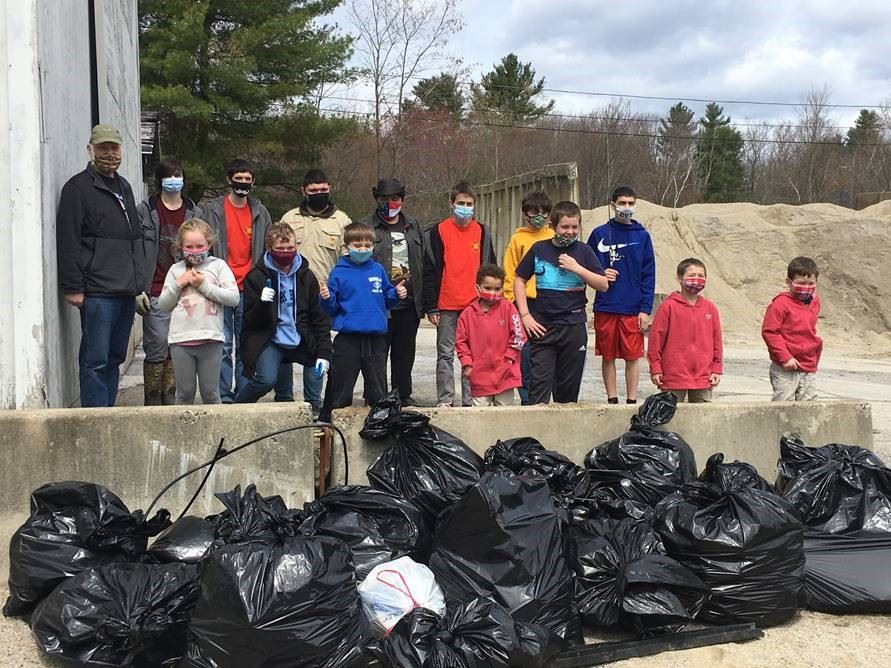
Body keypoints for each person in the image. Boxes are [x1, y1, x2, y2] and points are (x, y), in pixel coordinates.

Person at [56, 124, 145, 407]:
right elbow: (68, 240)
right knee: (95, 360)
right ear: (90, 149)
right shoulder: (77, 188)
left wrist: (138, 284)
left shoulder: (124, 187)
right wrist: (72, 287)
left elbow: (134, 238)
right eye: (103, 148)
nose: (109, 153)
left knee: (115, 358)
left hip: (124, 290)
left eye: (114, 148)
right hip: (96, 291)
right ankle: (94, 418)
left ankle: (109, 413)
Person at [514, 201, 609, 404]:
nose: (570, 232)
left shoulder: (584, 252)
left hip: (573, 328)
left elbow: (603, 285)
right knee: (538, 391)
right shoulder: (539, 249)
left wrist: (578, 269)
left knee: (567, 395)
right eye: (565, 227)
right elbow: (519, 279)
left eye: (574, 227)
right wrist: (525, 315)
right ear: (553, 226)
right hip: (542, 328)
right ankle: (536, 434)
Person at [278, 169, 352, 412]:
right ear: (304, 191)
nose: (319, 194)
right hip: (290, 294)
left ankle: (313, 403)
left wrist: (337, 292)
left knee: (317, 348)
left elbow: (348, 261)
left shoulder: (342, 220)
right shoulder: (289, 218)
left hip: (324, 297)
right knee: (284, 346)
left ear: (329, 188)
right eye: (313, 191)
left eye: (323, 190)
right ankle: (284, 401)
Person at [234, 223, 332, 405]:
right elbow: (249, 322)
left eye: (290, 248)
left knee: (318, 368)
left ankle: (315, 410)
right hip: (271, 337)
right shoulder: (256, 277)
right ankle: (237, 408)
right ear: (269, 248)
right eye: (280, 248)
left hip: (300, 335)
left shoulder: (307, 277)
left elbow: (319, 317)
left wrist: (324, 354)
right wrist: (262, 304)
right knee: (265, 380)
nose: (285, 252)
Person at [319, 223, 408, 419]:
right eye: (358, 245)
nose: (363, 249)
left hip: (375, 339)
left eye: (367, 245)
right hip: (348, 339)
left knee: (378, 392)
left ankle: (381, 429)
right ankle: (329, 427)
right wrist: (326, 297)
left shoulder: (377, 270)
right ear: (347, 247)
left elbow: (387, 298)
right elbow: (332, 308)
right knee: (339, 389)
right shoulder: (339, 272)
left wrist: (397, 293)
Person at [202, 159, 272, 403]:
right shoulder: (212, 210)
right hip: (221, 287)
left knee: (246, 344)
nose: (243, 184)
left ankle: (243, 394)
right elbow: (203, 243)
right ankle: (223, 394)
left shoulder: (261, 212)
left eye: (247, 179)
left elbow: (268, 249)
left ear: (253, 181)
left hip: (250, 289)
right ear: (229, 180)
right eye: (238, 179)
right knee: (222, 344)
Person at [136, 157, 203, 405]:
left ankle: (172, 403)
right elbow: (135, 248)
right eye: (170, 175)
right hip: (155, 289)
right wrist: (137, 287)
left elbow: (205, 249)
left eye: (179, 175)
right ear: (160, 180)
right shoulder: (145, 210)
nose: (175, 180)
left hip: (187, 291)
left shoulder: (195, 212)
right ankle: (153, 403)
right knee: (156, 347)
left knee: (179, 347)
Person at [423, 181, 496, 407]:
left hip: (475, 304)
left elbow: (490, 267)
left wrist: (490, 301)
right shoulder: (437, 231)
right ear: (451, 203)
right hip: (446, 305)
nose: (465, 207)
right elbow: (429, 270)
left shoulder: (482, 231)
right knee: (445, 354)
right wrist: (431, 306)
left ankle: (470, 399)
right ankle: (445, 399)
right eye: (461, 203)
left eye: (469, 204)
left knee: (473, 355)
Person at [157, 220, 240, 404]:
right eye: (189, 246)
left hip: (211, 339)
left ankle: (217, 432)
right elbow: (164, 305)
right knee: (184, 393)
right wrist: (178, 284)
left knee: (211, 393)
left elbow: (233, 298)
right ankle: (182, 432)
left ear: (209, 244)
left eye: (200, 246)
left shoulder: (218, 266)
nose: (195, 250)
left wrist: (202, 285)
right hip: (181, 340)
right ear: (181, 247)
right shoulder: (175, 270)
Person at [586, 186, 655, 405]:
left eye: (630, 203)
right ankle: (612, 399)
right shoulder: (598, 234)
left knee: (632, 356)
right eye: (622, 202)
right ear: (612, 204)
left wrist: (645, 309)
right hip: (606, 305)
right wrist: (600, 272)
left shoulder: (642, 236)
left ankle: (632, 400)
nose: (626, 207)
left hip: (632, 307)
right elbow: (586, 265)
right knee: (608, 355)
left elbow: (649, 274)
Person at [362, 178, 426, 406]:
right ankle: (376, 396)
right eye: (384, 199)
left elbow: (423, 262)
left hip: (409, 303)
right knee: (377, 353)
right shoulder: (366, 227)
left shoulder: (413, 225)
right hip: (380, 304)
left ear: (402, 199)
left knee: (404, 353)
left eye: (395, 198)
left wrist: (426, 300)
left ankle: (402, 394)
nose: (390, 203)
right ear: (376, 199)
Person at [502, 190, 554, 404]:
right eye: (534, 213)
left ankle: (544, 397)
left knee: (546, 353)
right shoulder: (518, 239)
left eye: (543, 212)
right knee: (525, 353)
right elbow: (510, 271)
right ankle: (527, 398)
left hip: (549, 303)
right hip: (525, 303)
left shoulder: (553, 237)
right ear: (525, 214)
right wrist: (510, 302)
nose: (539, 217)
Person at [647, 258, 723, 402]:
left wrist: (716, 368)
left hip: (703, 376)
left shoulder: (710, 308)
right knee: (670, 416)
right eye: (692, 275)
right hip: (674, 375)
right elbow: (656, 339)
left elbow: (716, 341)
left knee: (702, 417)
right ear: (679, 278)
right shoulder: (668, 307)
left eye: (701, 276)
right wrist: (656, 368)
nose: (697, 279)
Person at [455, 264, 527, 406]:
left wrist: (509, 359)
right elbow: (461, 343)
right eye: (487, 288)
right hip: (480, 374)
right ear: (477, 288)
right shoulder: (467, 315)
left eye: (497, 289)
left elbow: (519, 336)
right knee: (480, 414)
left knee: (504, 413)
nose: (493, 292)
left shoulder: (508, 309)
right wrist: (467, 364)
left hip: (505, 372)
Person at [761, 256, 823, 401]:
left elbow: (810, 328)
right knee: (783, 406)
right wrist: (785, 357)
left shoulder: (815, 301)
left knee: (809, 407)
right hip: (785, 367)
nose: (806, 287)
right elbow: (770, 332)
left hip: (808, 365)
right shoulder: (780, 304)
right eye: (801, 283)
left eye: (811, 283)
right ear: (789, 282)